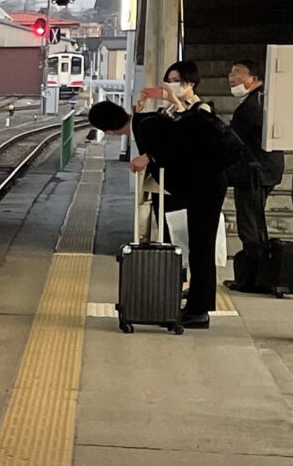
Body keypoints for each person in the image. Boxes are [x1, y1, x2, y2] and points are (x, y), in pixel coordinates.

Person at [88, 61, 245, 328]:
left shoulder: (147, 125)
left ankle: (198, 311)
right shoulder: (145, 121)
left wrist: (149, 157)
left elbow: (182, 143)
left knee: (201, 249)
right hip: (199, 185)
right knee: (195, 247)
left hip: (206, 185)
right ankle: (194, 303)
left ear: (109, 131)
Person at [226, 59, 284, 262]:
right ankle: (257, 270)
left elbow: (232, 140)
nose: (232, 78)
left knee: (249, 222)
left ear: (255, 77)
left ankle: (254, 272)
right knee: (255, 220)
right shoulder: (261, 100)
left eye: (238, 73)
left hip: (255, 173)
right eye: (231, 73)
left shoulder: (250, 107)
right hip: (263, 170)